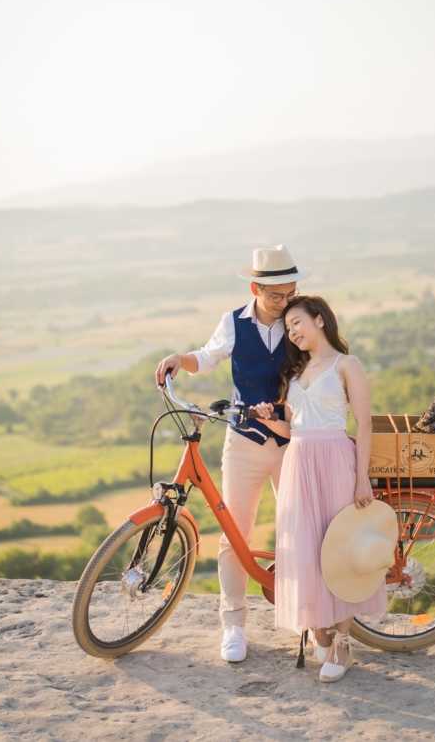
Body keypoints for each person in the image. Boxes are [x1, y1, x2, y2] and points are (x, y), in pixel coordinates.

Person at [155, 245, 306, 663]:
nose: (285, 302)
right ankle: (234, 625)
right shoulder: (234, 322)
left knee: (301, 530)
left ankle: (306, 619)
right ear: (256, 288)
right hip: (244, 442)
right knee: (235, 534)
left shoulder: (300, 316)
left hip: (294, 442)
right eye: (276, 295)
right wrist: (177, 359)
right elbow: (207, 357)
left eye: (291, 292)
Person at [252, 295, 386, 682]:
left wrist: (362, 478)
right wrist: (268, 420)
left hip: (336, 462)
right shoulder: (295, 374)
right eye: (288, 328)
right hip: (299, 464)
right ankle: (321, 633)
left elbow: (362, 424)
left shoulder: (347, 365)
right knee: (309, 551)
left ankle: (343, 643)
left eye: (297, 322)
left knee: (340, 552)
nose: (293, 332)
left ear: (320, 320)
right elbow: (294, 429)